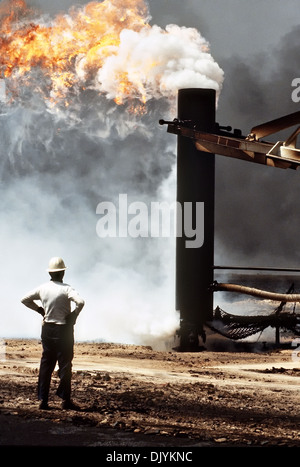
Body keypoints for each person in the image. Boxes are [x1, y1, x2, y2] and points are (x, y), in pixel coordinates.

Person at [21, 257, 85, 410]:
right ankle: (65, 399)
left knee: (46, 365)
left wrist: (40, 310)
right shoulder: (67, 288)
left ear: (50, 273)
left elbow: (24, 299)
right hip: (64, 330)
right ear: (62, 273)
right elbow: (81, 302)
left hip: (48, 330)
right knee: (65, 365)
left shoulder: (42, 288)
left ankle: (43, 400)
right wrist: (74, 315)